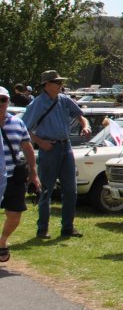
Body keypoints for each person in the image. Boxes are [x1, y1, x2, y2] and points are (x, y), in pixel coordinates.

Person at [24, 70, 89, 238]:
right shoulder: (37, 103)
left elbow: (81, 115)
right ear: (46, 85)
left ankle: (68, 227)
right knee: (46, 190)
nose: (60, 85)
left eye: (61, 82)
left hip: (65, 147)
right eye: (56, 82)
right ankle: (42, 229)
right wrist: (41, 143)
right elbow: (24, 129)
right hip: (49, 148)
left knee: (71, 190)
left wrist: (85, 125)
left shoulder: (64, 100)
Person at [1, 86, 41, 263]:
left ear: (8, 101)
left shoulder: (17, 123)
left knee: (15, 214)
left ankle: (2, 241)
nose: (0, 104)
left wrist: (34, 174)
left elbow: (27, 148)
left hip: (13, 176)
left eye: (3, 100)